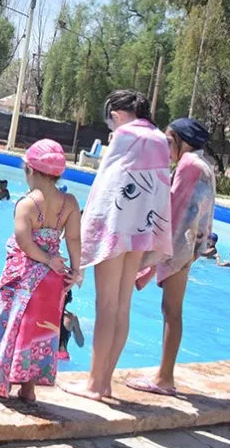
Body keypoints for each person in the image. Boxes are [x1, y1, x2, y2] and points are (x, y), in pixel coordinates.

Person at [64, 90, 172, 402]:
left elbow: (106, 186)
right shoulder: (159, 139)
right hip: (141, 230)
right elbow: (160, 191)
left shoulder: (126, 135)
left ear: (119, 114)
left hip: (115, 230)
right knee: (123, 306)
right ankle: (105, 381)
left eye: (111, 117)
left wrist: (88, 232)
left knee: (105, 307)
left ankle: (95, 385)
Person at [0, 139, 81, 404]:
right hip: (52, 282)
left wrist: (46, 258)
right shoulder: (70, 202)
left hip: (24, 277)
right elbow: (73, 238)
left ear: (30, 170)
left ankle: (0, 382)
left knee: (11, 325)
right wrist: (74, 269)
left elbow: (24, 242)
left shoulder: (26, 204)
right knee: (41, 332)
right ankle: (28, 388)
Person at [127, 118, 215, 397]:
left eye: (169, 140)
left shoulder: (189, 166)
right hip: (188, 248)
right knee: (172, 311)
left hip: (178, 247)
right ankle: (165, 374)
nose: (165, 147)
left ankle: (165, 378)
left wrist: (148, 259)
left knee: (171, 311)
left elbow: (173, 210)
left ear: (183, 141)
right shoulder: (205, 167)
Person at [57, 290, 84, 362]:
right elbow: (80, 343)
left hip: (48, 354)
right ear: (70, 300)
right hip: (63, 356)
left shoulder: (47, 315)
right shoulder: (72, 318)